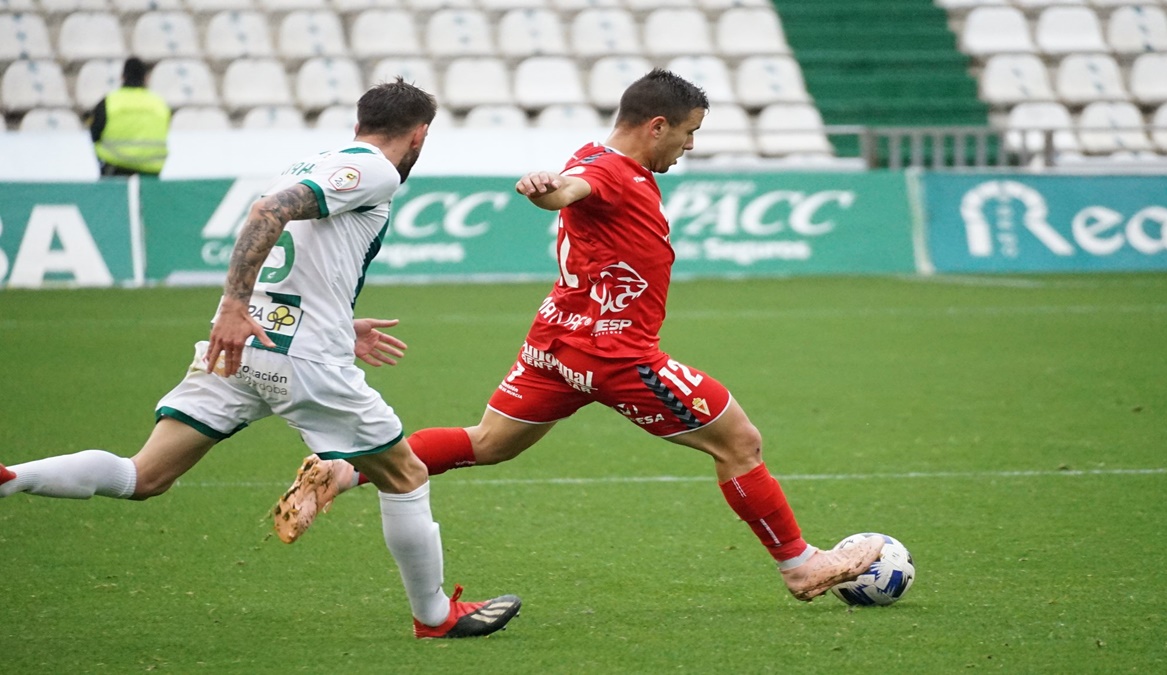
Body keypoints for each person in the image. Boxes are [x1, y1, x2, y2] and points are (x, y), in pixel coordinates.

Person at [270, 69, 884, 603]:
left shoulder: (600, 157)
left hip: (555, 346)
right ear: (657, 125)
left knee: (489, 444)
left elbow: (576, 183)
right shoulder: (607, 170)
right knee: (740, 443)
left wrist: (558, 186)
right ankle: (800, 565)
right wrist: (548, 189)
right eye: (689, 132)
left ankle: (341, 473)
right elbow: (572, 187)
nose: (689, 146)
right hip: (617, 356)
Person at [1, 78, 521, 640]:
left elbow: (299, 250)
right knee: (405, 475)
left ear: (358, 123)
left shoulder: (315, 161)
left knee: (144, 475)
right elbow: (268, 212)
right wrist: (233, 303)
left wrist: (338, 325)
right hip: (298, 359)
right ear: (421, 134)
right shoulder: (376, 170)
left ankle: (11, 478)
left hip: (246, 348)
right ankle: (435, 616)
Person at [87, 57, 171, 176]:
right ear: (146, 78)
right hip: (151, 170)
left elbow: (94, 134)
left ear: (122, 76)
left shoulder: (109, 102)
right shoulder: (160, 104)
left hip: (115, 169)